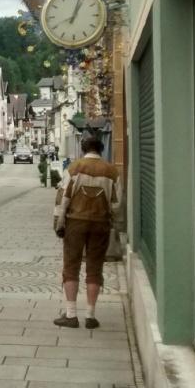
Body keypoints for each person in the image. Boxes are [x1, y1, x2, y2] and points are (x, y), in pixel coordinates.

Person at [52, 135, 122, 329]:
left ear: (83, 149)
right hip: (100, 224)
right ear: (101, 149)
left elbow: (63, 198)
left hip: (76, 223)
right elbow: (116, 205)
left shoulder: (74, 168)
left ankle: (71, 315)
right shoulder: (111, 172)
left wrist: (59, 223)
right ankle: (90, 316)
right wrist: (116, 224)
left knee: (71, 266)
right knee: (94, 267)